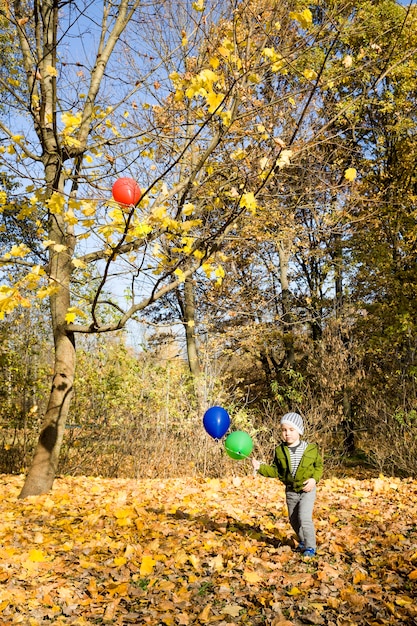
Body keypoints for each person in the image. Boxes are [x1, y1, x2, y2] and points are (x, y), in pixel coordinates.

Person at [252, 412, 323, 558]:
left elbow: (319, 467)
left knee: (304, 517)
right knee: (293, 519)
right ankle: (303, 540)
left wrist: (314, 480)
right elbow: (276, 471)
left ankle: (310, 547)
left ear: (299, 431)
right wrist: (260, 467)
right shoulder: (279, 451)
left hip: (307, 489)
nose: (287, 433)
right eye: (284, 430)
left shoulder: (310, 449)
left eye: (291, 430)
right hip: (291, 491)